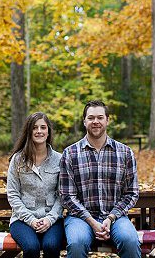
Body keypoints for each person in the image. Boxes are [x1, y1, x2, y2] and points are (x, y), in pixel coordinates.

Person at [60, 100, 141, 258]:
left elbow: (131, 192)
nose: (95, 122)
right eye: (91, 118)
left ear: (107, 120)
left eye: (100, 117)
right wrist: (92, 221)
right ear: (84, 121)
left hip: (115, 217)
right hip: (80, 218)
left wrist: (110, 218)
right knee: (76, 244)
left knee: (130, 240)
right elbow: (67, 196)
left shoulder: (125, 153)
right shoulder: (70, 154)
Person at [6, 112, 65, 258]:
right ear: (29, 131)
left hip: (52, 219)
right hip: (22, 220)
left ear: (48, 131)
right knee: (32, 248)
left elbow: (62, 195)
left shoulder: (60, 159)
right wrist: (31, 220)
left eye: (43, 127)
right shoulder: (18, 159)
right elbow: (13, 194)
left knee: (51, 246)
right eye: (35, 128)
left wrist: (49, 219)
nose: (39, 131)